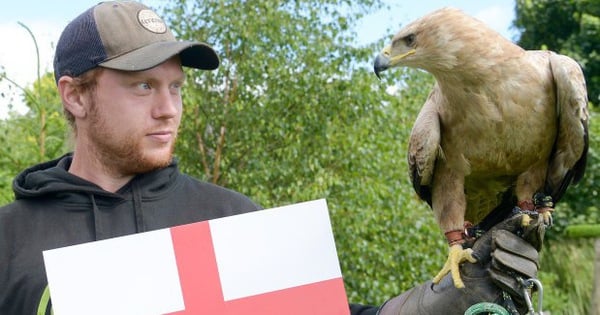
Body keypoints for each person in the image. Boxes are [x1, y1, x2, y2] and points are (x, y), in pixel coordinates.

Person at [0, 1, 543, 314]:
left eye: (177, 88)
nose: (169, 110)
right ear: (75, 95)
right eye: (143, 88)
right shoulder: (9, 241)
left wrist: (428, 309)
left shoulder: (232, 219)